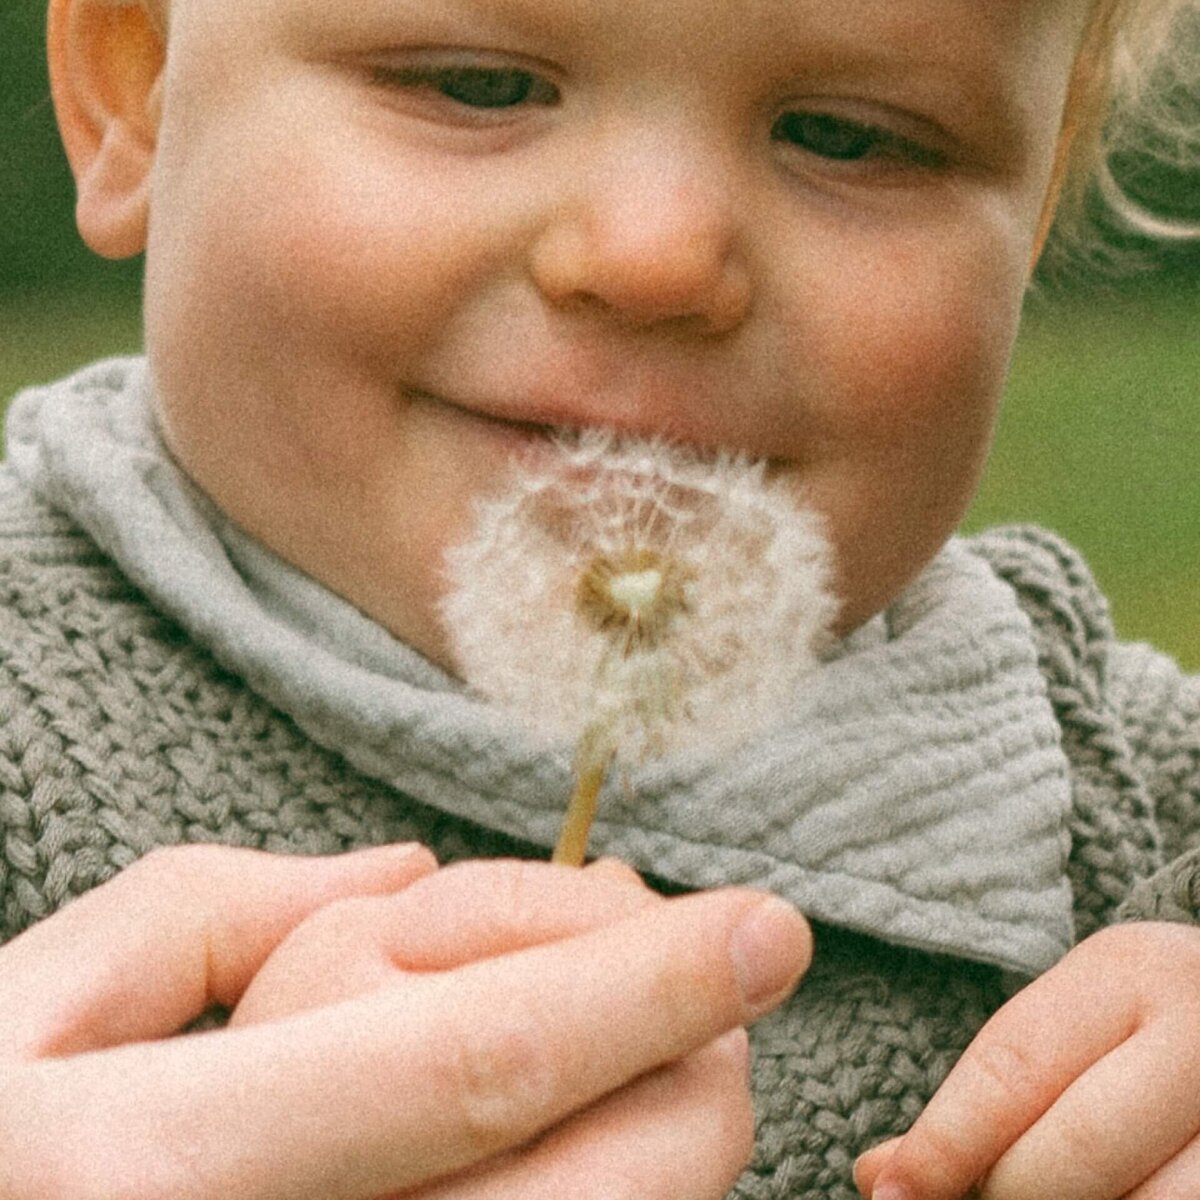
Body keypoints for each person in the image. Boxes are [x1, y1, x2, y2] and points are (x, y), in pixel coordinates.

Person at [0, 0, 1197, 1196]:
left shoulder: (1126, 793)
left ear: (1034, 208)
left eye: (847, 136)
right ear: (134, 91)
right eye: (475, 86)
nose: (654, 258)